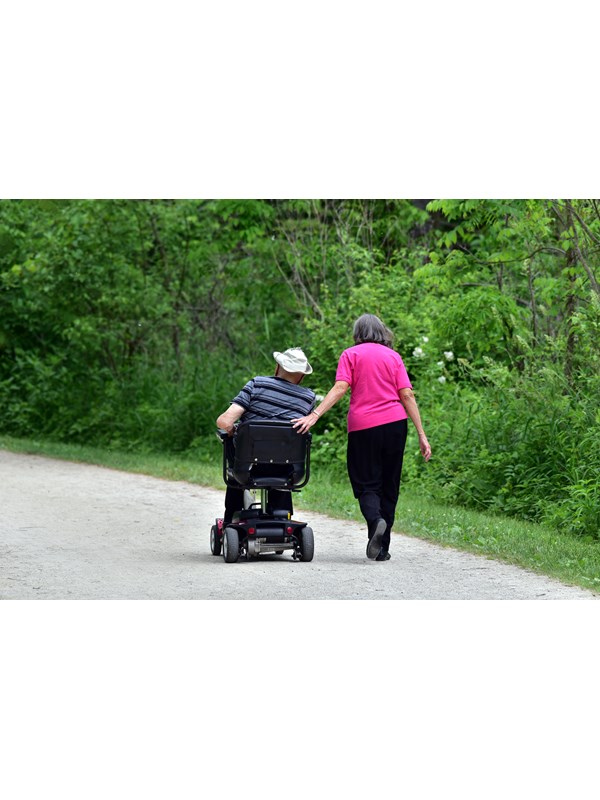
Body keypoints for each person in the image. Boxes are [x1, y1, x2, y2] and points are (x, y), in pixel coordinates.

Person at [292, 314, 431, 561]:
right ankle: (381, 549)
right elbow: (407, 395)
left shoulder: (351, 354)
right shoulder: (394, 357)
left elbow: (340, 388)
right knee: (389, 486)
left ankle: (375, 521)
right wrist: (422, 434)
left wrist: (315, 414)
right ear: (382, 332)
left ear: (357, 333)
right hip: (395, 424)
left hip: (363, 427)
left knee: (367, 483)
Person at [216, 347, 316, 525]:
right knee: (284, 451)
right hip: (288, 470)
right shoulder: (308, 398)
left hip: (248, 467)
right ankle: (282, 515)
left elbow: (224, 422)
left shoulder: (257, 385)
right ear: (301, 376)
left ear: (278, 367)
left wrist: (232, 431)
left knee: (231, 442)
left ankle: (232, 518)